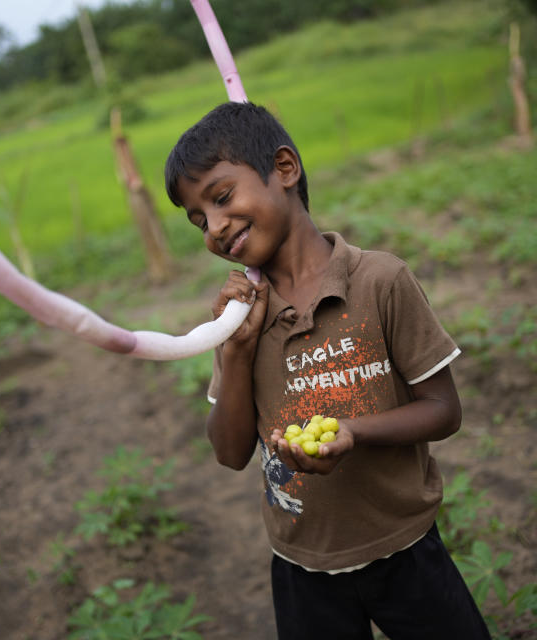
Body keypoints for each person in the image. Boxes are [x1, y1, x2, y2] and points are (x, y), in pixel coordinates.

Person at [165, 101, 490, 640]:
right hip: (301, 565)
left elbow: (443, 410)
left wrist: (354, 433)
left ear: (285, 170)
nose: (216, 228)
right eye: (199, 221)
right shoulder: (238, 319)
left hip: (404, 547)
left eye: (222, 198)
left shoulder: (381, 281)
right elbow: (229, 452)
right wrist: (238, 349)